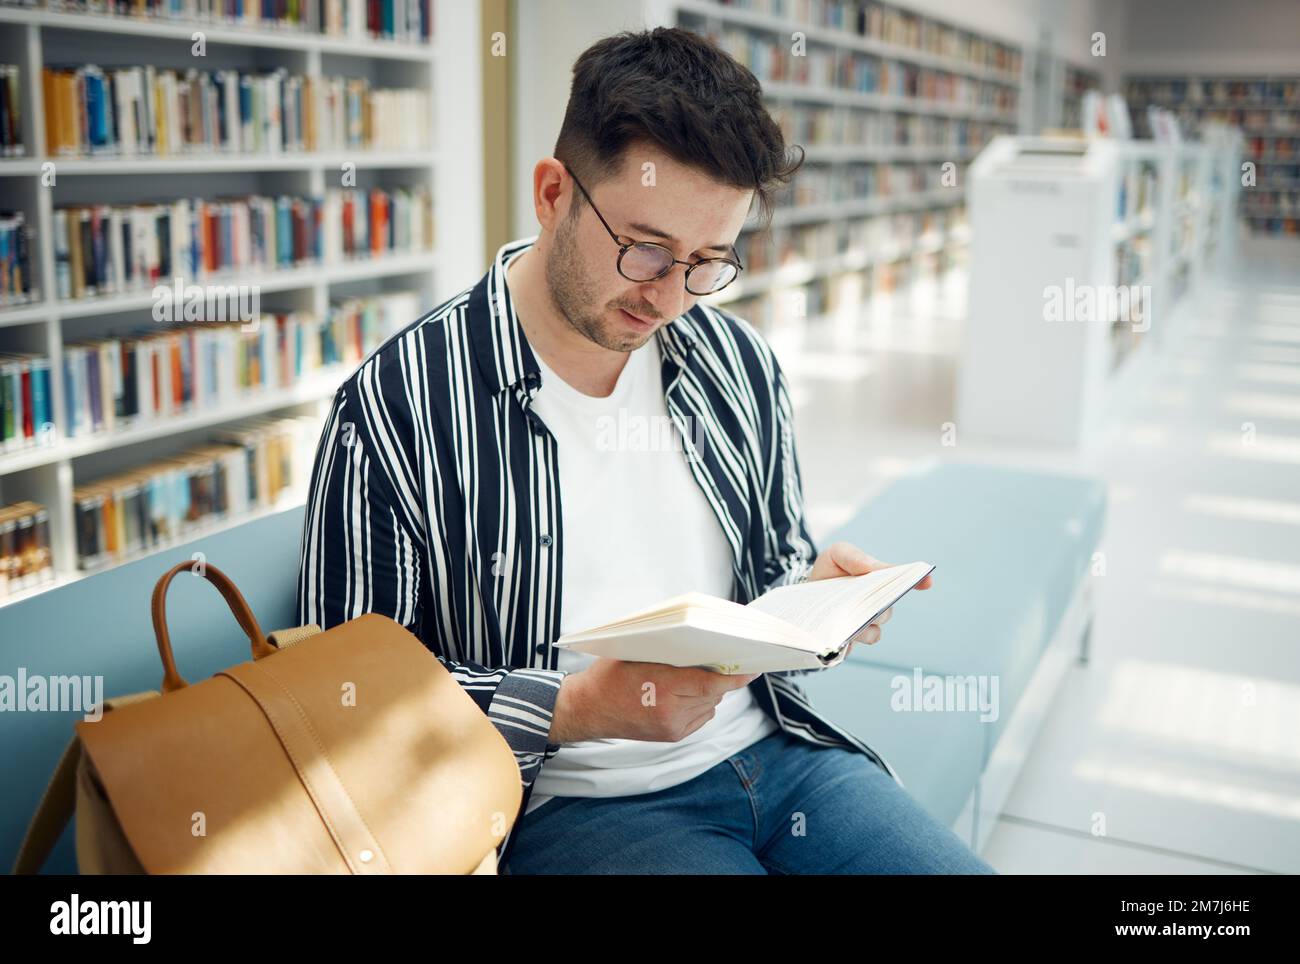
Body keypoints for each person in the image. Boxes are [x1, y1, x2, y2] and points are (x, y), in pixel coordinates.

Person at [295, 26, 994, 875]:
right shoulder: (396, 406)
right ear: (554, 193)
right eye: (647, 249)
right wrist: (576, 708)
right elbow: (347, 708)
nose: (670, 296)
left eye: (707, 262)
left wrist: (810, 606)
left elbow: (769, 563)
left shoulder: (737, 364)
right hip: (571, 804)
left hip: (782, 755)